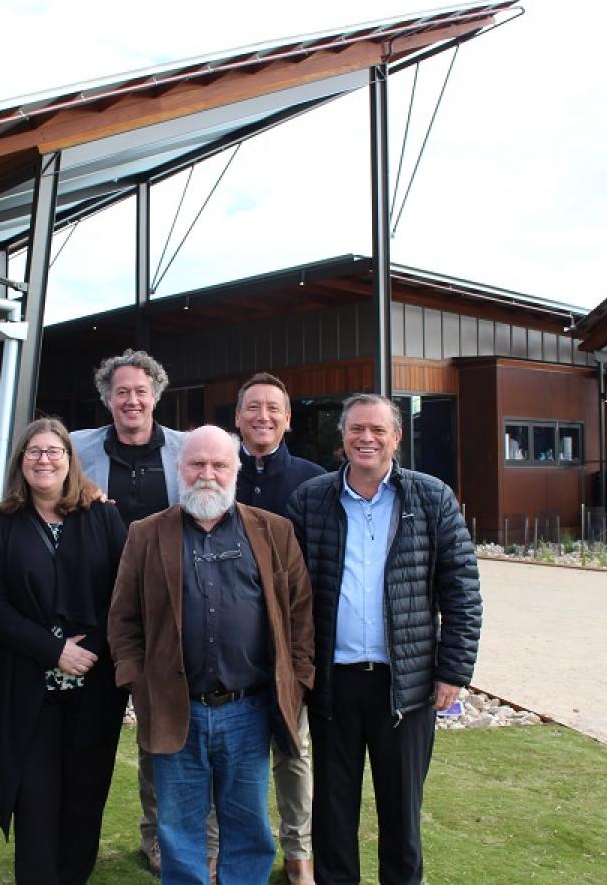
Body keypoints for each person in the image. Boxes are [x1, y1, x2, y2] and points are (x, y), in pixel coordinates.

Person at [285, 393, 482, 885]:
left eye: (377, 429)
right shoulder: (310, 500)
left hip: (406, 686)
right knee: (333, 810)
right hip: (334, 684)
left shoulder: (431, 497)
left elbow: (461, 589)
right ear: (342, 437)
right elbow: (290, 594)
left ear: (397, 437)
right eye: (356, 429)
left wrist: (453, 671)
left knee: (402, 812)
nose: (366, 438)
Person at [109, 425, 315, 885]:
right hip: (175, 708)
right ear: (179, 469)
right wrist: (138, 683)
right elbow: (123, 620)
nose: (207, 474)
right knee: (180, 830)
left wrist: (299, 681)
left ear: (235, 471)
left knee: (247, 828)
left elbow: (300, 615)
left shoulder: (274, 532)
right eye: (196, 464)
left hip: (249, 711)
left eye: (219, 465)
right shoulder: (146, 535)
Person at [0, 418, 128, 884]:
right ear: (20, 462)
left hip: (94, 683)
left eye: (53, 451)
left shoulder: (102, 516)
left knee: (84, 797)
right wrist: (54, 650)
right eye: (34, 452)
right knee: (36, 797)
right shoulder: (1, 523)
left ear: (69, 460)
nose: (44, 460)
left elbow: (123, 592)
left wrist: (91, 651)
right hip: (29, 685)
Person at [70, 349, 187, 874]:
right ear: (107, 398)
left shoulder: (187, 450)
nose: (132, 400)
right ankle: (75, 842)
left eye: (141, 391)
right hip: (95, 613)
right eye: (122, 392)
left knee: (161, 737)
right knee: (88, 736)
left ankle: (158, 837)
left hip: (166, 616)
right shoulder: (75, 449)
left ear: (156, 395)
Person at [233, 372, 324, 885]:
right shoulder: (218, 472)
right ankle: (232, 848)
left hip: (289, 642)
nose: (262, 416)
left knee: (294, 753)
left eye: (273, 408)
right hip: (229, 645)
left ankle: (299, 853)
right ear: (237, 417)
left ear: (288, 419)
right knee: (233, 756)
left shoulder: (313, 480)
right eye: (253, 407)